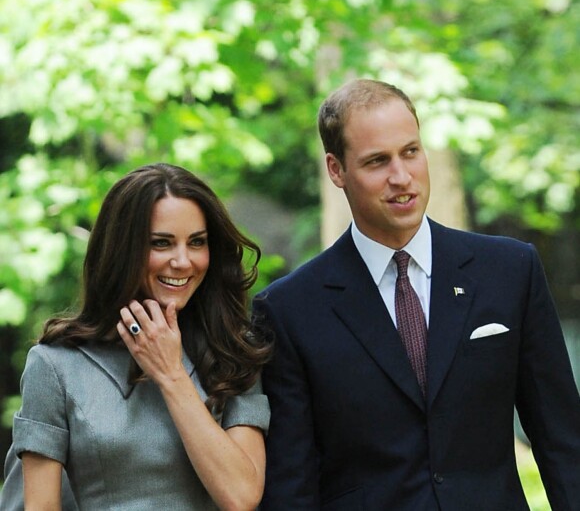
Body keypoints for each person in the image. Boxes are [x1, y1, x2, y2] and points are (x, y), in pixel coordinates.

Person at [255, 79, 580, 510]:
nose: (401, 176)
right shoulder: (288, 309)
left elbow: (563, 440)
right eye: (377, 161)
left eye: (411, 151)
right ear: (336, 170)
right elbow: (291, 484)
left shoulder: (509, 270)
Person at [0, 163, 271, 510]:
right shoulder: (55, 365)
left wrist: (171, 374)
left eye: (197, 242)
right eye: (161, 243)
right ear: (122, 250)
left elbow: (241, 496)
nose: (183, 261)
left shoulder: (231, 349)